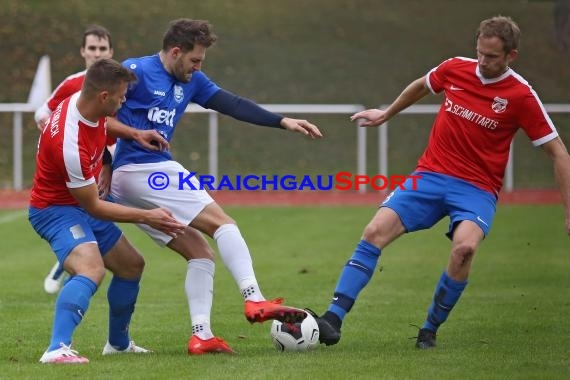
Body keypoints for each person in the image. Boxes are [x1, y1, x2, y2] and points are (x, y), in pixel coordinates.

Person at [311, 15, 570, 349]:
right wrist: (386, 113)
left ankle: (430, 328)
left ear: (511, 56)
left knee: (464, 249)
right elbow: (422, 84)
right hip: (429, 176)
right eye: (480, 53)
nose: (483, 62)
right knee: (375, 231)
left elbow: (559, 153)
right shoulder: (455, 68)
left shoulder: (521, 96)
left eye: (492, 57)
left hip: (476, 190)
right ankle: (333, 318)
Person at [107, 18, 323, 355]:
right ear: (175, 52)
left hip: (136, 180)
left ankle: (201, 335)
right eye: (194, 60)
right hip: (142, 170)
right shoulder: (135, 70)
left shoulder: (191, 81)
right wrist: (119, 148)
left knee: (200, 253)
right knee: (223, 224)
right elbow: (95, 114)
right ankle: (254, 300)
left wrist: (283, 121)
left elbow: (232, 104)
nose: (197, 68)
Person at [30, 58, 187, 364]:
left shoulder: (85, 102)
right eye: (121, 95)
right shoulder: (69, 144)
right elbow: (94, 206)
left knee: (131, 265)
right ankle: (56, 348)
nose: (124, 99)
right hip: (55, 210)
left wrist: (135, 134)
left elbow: (105, 122)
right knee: (91, 268)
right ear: (104, 96)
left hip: (77, 203)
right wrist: (148, 215)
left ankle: (118, 344)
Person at [35, 24, 116, 294]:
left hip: (110, 164)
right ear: (83, 51)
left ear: (111, 51)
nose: (97, 53)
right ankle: (70, 267)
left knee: (102, 221)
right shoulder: (72, 83)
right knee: (93, 217)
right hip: (81, 167)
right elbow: (41, 112)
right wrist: (55, 138)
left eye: (102, 48)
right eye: (92, 48)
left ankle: (70, 266)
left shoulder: (120, 84)